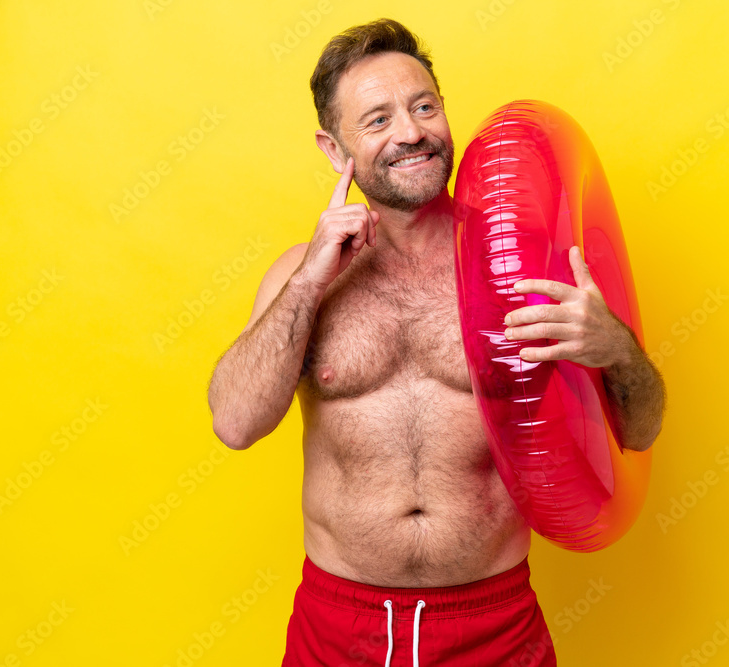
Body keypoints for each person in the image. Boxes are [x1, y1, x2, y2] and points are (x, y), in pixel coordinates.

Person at [207, 17, 666, 667]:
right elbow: (234, 420)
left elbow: (641, 431)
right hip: (338, 630)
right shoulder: (298, 278)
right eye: (377, 119)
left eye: (425, 106)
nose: (411, 132)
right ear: (334, 151)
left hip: (494, 627)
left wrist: (615, 347)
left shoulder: (532, 266)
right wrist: (312, 277)